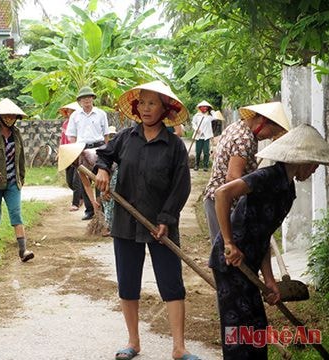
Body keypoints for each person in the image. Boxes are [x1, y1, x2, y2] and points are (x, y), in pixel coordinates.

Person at [209, 123, 329, 359]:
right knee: (238, 334)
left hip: (250, 260)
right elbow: (222, 194)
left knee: (256, 329)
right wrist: (229, 243)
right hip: (231, 262)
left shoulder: (287, 190)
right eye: (313, 165)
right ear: (301, 160)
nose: (313, 171)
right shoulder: (266, 177)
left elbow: (263, 235)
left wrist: (270, 280)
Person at [95, 80, 200, 360]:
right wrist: (103, 169)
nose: (145, 108)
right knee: (128, 282)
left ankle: (179, 347)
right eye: (141, 103)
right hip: (126, 222)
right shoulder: (126, 138)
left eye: (152, 103)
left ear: (165, 110)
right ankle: (133, 342)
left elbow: (181, 186)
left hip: (160, 224)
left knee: (171, 283)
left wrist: (167, 218)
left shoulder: (174, 146)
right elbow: (103, 156)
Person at [203, 101, 290, 243]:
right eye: (271, 133)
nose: (269, 137)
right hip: (224, 204)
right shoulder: (245, 139)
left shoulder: (237, 127)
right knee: (228, 254)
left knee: (226, 255)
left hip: (216, 199)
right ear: (262, 121)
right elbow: (232, 178)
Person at [0, 98, 34, 262]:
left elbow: (21, 159)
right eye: (7, 116)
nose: (10, 118)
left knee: (16, 213)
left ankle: (23, 250)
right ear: (0, 117)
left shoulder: (17, 134)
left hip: (13, 182)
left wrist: (22, 178)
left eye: (13, 116)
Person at [66, 86, 110, 220]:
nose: (86, 100)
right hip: (82, 149)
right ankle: (90, 209)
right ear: (79, 101)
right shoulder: (75, 115)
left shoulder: (101, 114)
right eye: (83, 98)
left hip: (98, 149)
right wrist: (75, 151)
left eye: (89, 97)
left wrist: (106, 150)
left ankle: (101, 209)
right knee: (84, 180)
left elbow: (106, 134)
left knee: (100, 179)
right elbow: (72, 136)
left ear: (93, 99)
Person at [59, 101, 83, 211]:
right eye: (69, 111)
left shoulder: (80, 123)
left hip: (77, 152)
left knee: (76, 179)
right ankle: (82, 195)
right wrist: (60, 152)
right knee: (69, 181)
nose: (70, 113)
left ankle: (76, 203)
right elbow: (62, 139)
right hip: (66, 153)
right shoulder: (65, 124)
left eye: (73, 111)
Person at [191, 100, 214, 171]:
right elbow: (193, 123)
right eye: (203, 107)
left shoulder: (210, 116)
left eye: (206, 107)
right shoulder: (197, 115)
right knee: (198, 152)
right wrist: (196, 129)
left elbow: (215, 116)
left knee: (206, 152)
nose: (205, 108)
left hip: (206, 136)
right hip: (199, 136)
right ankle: (196, 165)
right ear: (200, 108)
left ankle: (205, 166)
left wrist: (211, 110)